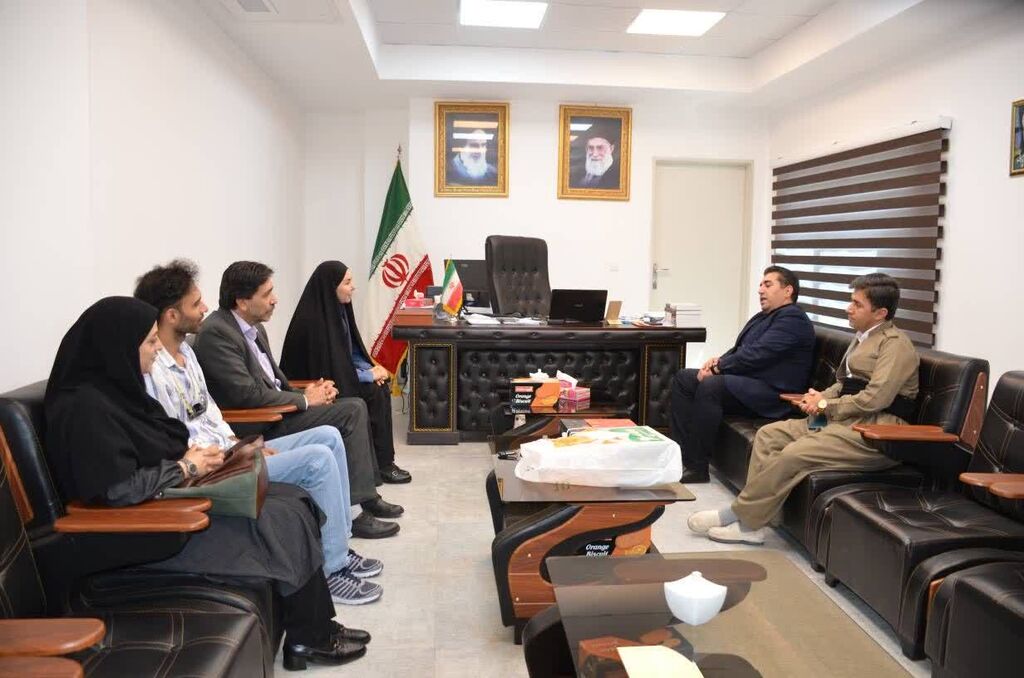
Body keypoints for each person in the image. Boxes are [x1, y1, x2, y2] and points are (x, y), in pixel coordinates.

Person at [43, 297, 369, 670]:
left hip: (167, 502)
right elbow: (117, 490)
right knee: (278, 520)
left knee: (292, 499)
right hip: (147, 532)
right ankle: (312, 636)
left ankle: (308, 634)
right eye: (149, 342)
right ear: (116, 348)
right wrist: (185, 467)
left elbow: (158, 445)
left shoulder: (118, 393)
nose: (156, 350)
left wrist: (201, 457)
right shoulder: (84, 409)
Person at [134, 260, 384, 605]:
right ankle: (333, 570)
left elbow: (212, 413)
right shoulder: (152, 368)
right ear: (172, 315)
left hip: (232, 448)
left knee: (328, 437)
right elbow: (175, 437)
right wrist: (236, 453)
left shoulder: (187, 352)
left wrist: (242, 445)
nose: (205, 308)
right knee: (318, 459)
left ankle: (339, 545)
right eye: (196, 303)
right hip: (212, 467)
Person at [688, 273, 919, 545]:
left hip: (875, 431)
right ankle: (759, 520)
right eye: (851, 301)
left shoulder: (895, 345)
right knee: (769, 436)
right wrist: (819, 398)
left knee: (795, 453)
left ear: (880, 313)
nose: (849, 308)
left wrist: (825, 405)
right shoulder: (862, 338)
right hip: (844, 417)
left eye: (857, 304)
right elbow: (843, 385)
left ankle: (743, 520)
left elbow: (875, 398)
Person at [193, 261, 403, 539]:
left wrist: (313, 391)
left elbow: (276, 381)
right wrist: (304, 399)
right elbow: (246, 395)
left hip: (279, 409)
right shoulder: (217, 333)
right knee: (352, 410)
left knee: (354, 404)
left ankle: (362, 498)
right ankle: (358, 508)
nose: (275, 299)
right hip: (259, 423)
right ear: (242, 301)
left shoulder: (254, 328)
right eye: (267, 294)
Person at [670, 266, 815, 484]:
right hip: (750, 384)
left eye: (768, 285)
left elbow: (758, 354)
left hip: (775, 393)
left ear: (788, 291)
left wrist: (719, 369)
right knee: (684, 379)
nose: (760, 290)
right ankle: (682, 456)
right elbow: (741, 350)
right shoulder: (764, 317)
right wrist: (716, 362)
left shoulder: (793, 319)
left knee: (712, 386)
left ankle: (697, 467)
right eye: (760, 285)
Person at [280, 261, 410, 485]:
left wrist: (372, 369)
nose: (353, 287)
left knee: (379, 388)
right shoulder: (313, 322)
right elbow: (332, 367)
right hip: (318, 385)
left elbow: (350, 353)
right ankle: (378, 466)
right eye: (347, 282)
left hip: (340, 376)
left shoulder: (338, 310)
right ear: (331, 287)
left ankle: (383, 463)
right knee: (372, 391)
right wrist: (368, 376)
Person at [569, 123, 620, 189]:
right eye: (590, 148)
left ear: (611, 149)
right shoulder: (575, 173)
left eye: (600, 148)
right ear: (586, 149)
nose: (595, 154)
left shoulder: (618, 176)